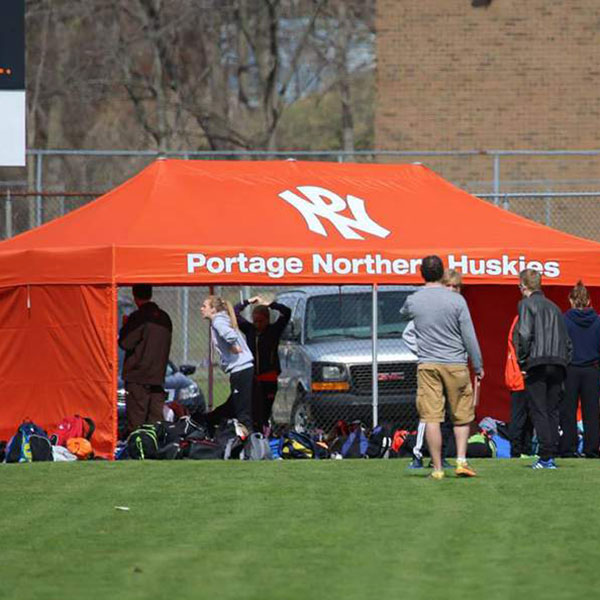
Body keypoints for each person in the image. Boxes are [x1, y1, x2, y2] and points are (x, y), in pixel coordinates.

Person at [400, 256, 484, 480]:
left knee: (432, 417)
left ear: (421, 273)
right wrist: (478, 364)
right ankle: (461, 461)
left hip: (427, 364)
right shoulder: (457, 302)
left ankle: (437, 469)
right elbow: (469, 335)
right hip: (456, 363)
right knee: (462, 415)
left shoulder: (414, 299)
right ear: (441, 274)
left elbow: (404, 313)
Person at [514, 269, 572, 469]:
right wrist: (565, 361)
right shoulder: (555, 307)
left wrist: (523, 362)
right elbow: (567, 341)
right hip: (557, 362)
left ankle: (545, 456)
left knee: (539, 410)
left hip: (537, 362)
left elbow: (523, 334)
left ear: (524, 285)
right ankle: (551, 455)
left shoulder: (525, 305)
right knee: (552, 410)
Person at [406, 268, 463, 469]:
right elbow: (408, 334)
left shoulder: (458, 308)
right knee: (430, 412)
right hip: (432, 367)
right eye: (449, 286)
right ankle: (418, 453)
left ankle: (439, 457)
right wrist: (425, 352)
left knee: (448, 414)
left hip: (452, 367)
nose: (453, 290)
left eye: (457, 287)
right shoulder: (430, 308)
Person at [118, 284, 173, 436]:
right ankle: (154, 446)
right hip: (158, 374)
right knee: (155, 417)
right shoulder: (164, 317)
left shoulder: (138, 317)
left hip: (138, 375)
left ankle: (137, 447)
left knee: (136, 419)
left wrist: (125, 326)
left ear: (135, 296)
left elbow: (125, 343)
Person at [235, 295, 291, 431]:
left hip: (269, 377)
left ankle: (266, 430)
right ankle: (256, 432)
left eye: (261, 321)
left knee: (266, 409)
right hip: (253, 378)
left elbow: (287, 312)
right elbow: (235, 313)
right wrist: (247, 302)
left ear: (267, 320)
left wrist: (271, 304)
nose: (257, 324)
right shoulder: (250, 331)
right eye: (255, 321)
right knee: (254, 409)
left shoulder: (274, 330)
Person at [200, 295, 254, 434]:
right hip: (241, 370)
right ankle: (206, 422)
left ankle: (251, 445)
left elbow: (231, 336)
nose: (202, 309)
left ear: (213, 309)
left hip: (241, 370)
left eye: (205, 306)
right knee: (231, 407)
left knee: (243, 412)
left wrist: (232, 346)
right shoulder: (221, 319)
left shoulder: (218, 321)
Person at [560, 281, 600, 458]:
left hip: (570, 369)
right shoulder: (597, 321)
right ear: (589, 301)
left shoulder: (564, 319)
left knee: (568, 411)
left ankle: (569, 448)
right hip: (592, 369)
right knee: (591, 412)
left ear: (571, 300)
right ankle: (591, 449)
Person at [505, 315, 534, 457]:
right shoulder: (523, 319)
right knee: (520, 416)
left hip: (518, 375)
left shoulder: (520, 318)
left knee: (526, 416)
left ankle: (524, 449)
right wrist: (525, 366)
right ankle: (517, 450)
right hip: (521, 375)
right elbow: (519, 345)